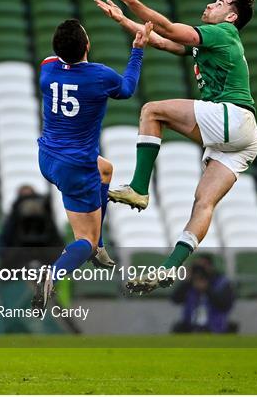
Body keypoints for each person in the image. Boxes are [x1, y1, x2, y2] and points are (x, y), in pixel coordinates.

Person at [94, 0, 257, 294]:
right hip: (245, 138)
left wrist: (131, 1)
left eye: (221, 3)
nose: (212, 4)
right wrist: (123, 19)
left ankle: (139, 188)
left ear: (232, 16)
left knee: (152, 110)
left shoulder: (223, 32)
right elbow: (159, 40)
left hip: (233, 116)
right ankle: (169, 268)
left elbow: (169, 28)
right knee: (203, 203)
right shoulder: (212, 40)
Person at [32, 18, 152, 309]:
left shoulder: (47, 69)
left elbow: (60, 59)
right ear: (88, 45)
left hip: (48, 157)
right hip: (76, 167)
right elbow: (126, 89)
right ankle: (54, 272)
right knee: (84, 239)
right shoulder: (100, 76)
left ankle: (98, 246)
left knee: (106, 169)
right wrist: (137, 50)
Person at [0, 185, 63, 270]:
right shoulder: (12, 222)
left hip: (46, 268)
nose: (30, 206)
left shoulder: (47, 222)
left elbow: (59, 249)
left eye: (32, 199)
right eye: (24, 200)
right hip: (18, 270)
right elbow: (1, 249)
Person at [171, 255, 236, 334]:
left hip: (215, 327)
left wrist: (207, 289)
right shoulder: (190, 283)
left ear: (211, 267)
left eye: (203, 267)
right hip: (190, 326)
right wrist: (187, 281)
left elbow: (225, 305)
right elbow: (175, 299)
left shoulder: (222, 282)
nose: (200, 270)